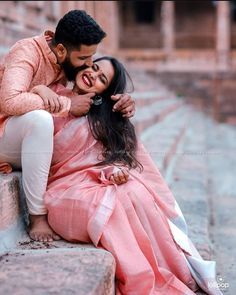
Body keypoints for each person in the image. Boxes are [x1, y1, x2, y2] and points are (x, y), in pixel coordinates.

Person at [31, 56, 222, 295]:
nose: (93, 75)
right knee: (108, 205)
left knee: (136, 191)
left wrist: (114, 172)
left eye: (102, 79)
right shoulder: (53, 94)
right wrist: (40, 89)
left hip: (94, 181)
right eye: (95, 67)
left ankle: (168, 272)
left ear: (106, 91)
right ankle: (140, 279)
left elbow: (118, 159)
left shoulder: (103, 118)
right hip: (62, 192)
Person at [0, 10, 135, 242]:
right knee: (41, 120)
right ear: (61, 50)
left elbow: (93, 86)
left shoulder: (66, 61)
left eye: (92, 58)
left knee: (87, 131)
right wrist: (65, 104)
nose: (89, 64)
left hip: (33, 147)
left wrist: (122, 101)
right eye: (84, 59)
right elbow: (10, 101)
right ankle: (37, 217)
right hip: (5, 133)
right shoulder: (27, 51)